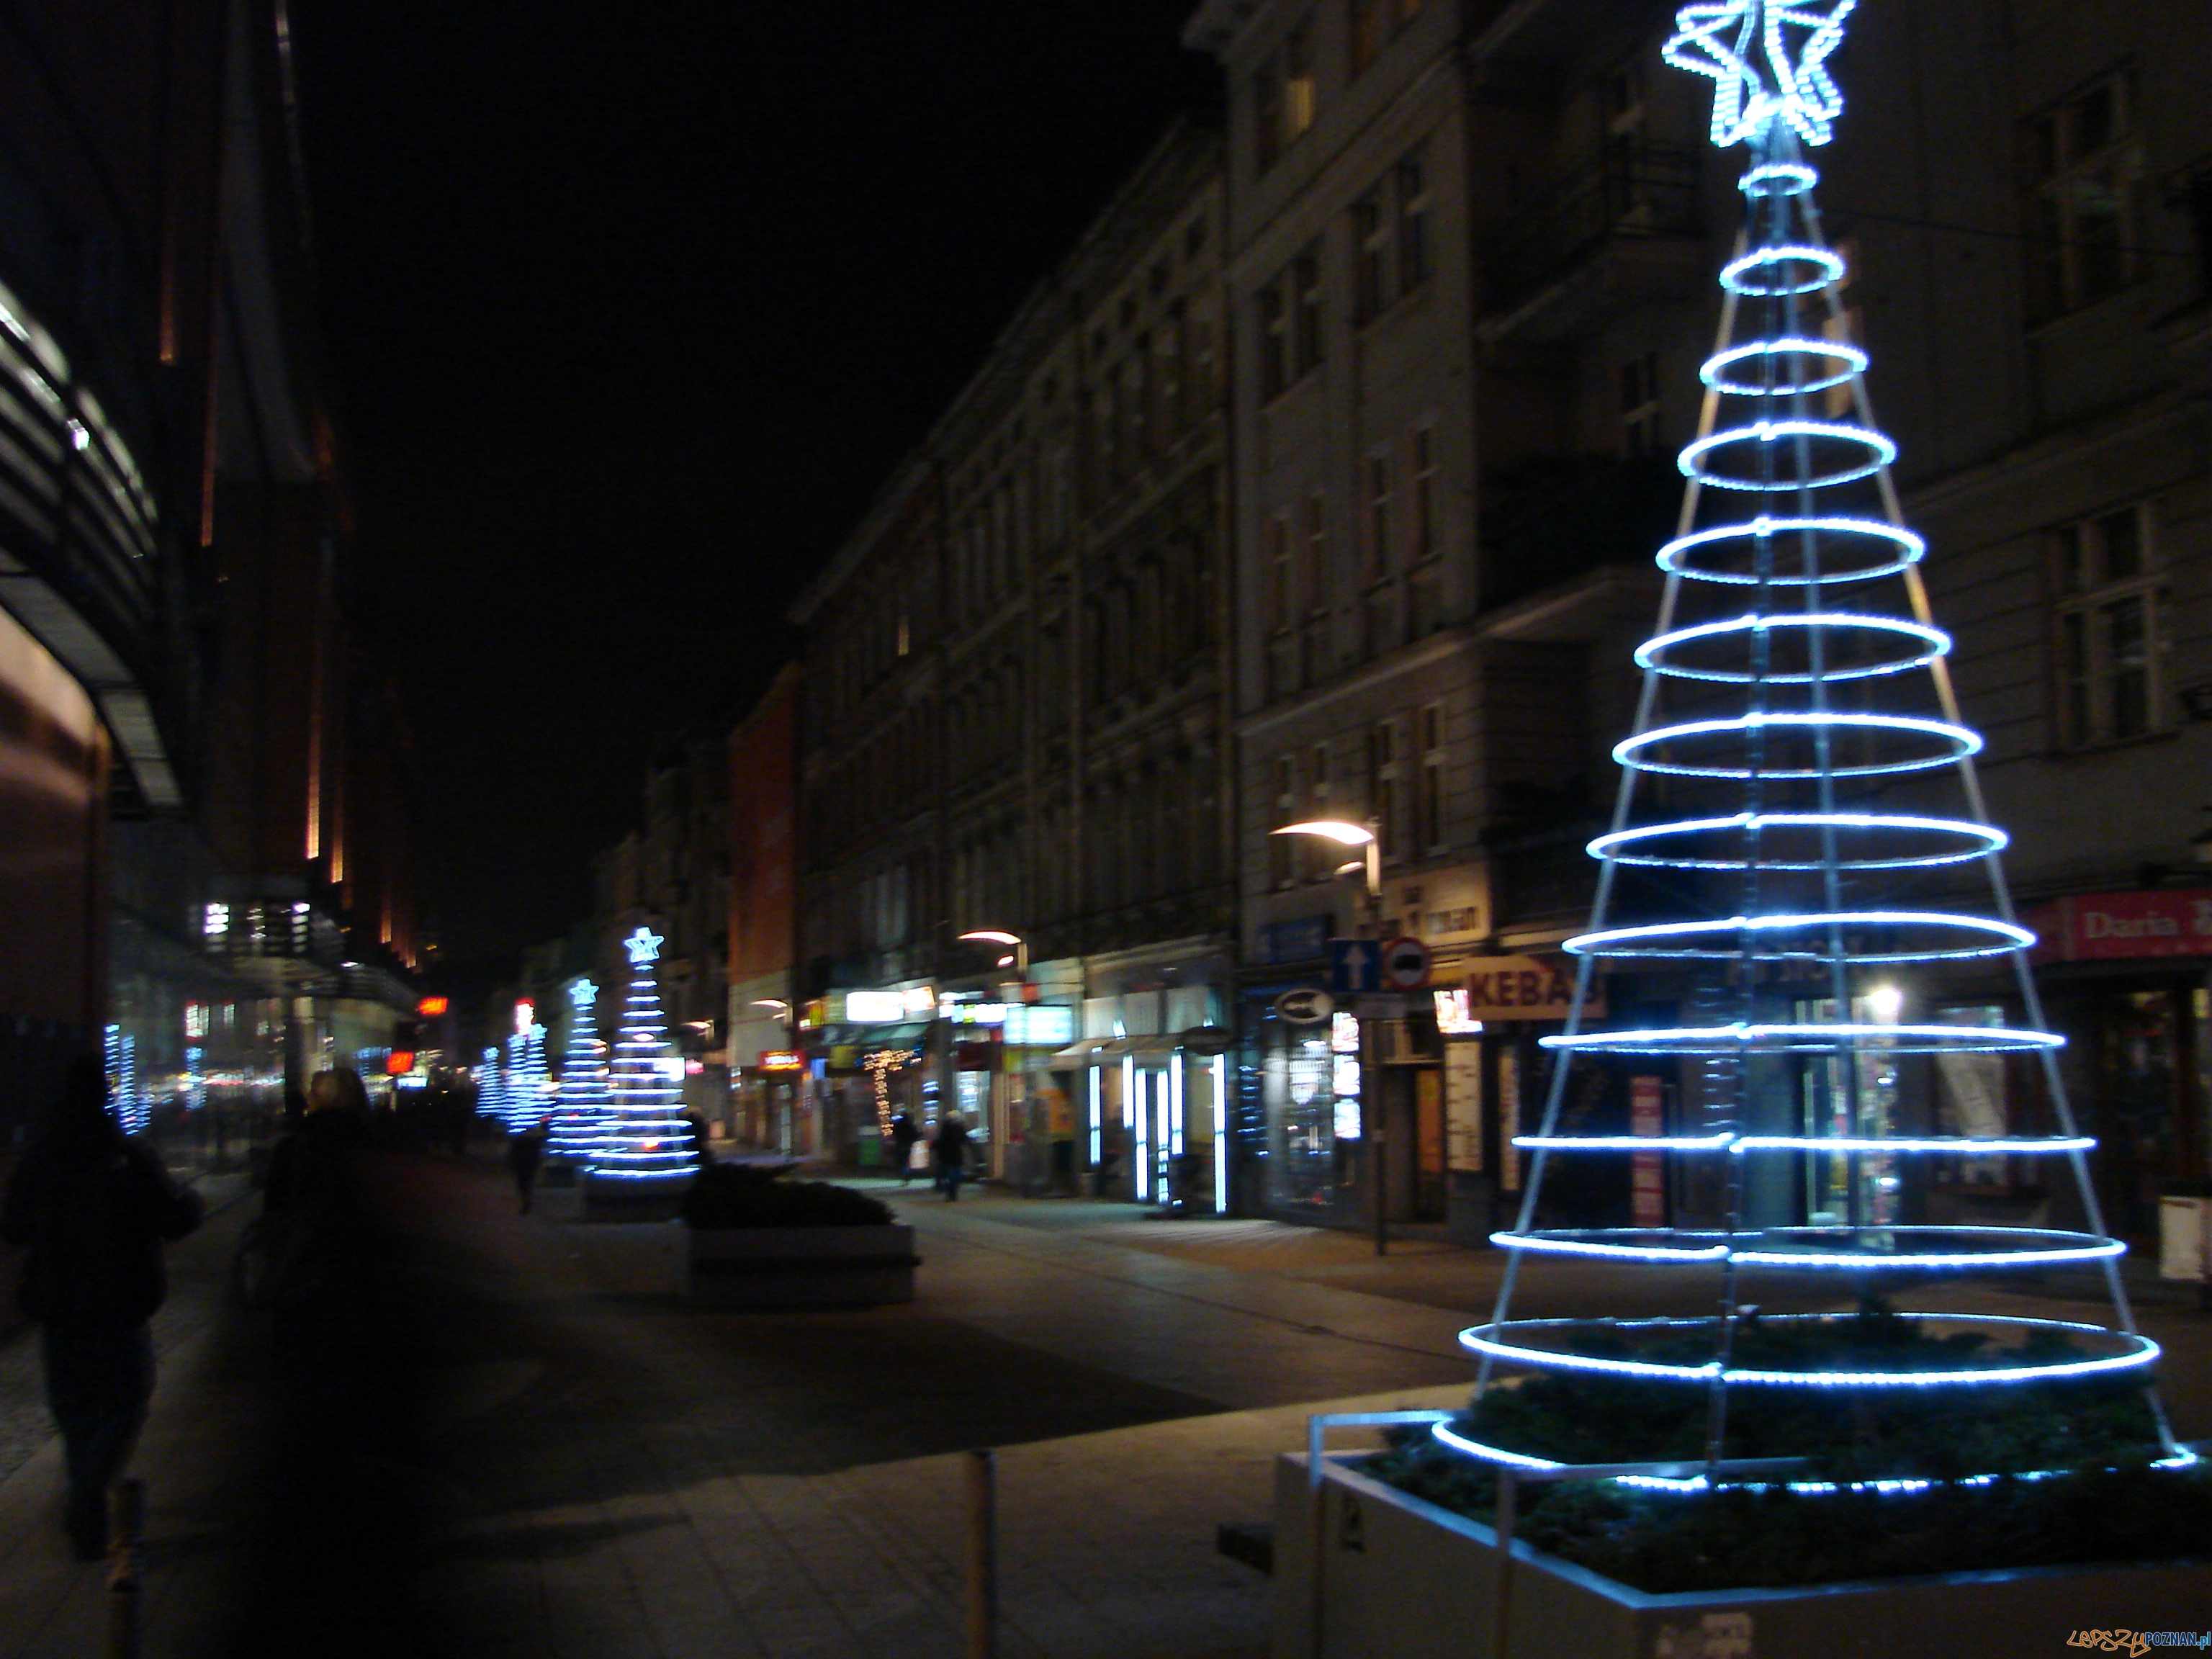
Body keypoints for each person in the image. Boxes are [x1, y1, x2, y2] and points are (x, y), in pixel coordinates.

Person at [0, 1056, 203, 1560]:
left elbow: (13, 1227)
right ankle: (88, 1497)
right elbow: (175, 1219)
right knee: (127, 1402)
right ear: (104, 1096)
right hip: (120, 1306)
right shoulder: (128, 1155)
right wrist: (191, 1204)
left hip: (59, 1309)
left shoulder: (40, 1159)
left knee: (75, 1415)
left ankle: (86, 1514)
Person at [505, 1115, 547, 1213]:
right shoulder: (534, 1141)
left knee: (523, 1185)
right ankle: (528, 1201)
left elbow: (512, 1153)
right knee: (528, 1183)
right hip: (530, 1164)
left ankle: (526, 1202)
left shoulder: (518, 1140)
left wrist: (511, 1163)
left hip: (521, 1165)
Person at [935, 1110, 972, 1202]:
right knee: (953, 1175)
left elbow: (964, 1139)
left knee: (955, 1175)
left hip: (952, 1155)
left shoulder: (951, 1129)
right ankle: (951, 1193)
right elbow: (964, 1139)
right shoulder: (948, 1130)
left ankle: (952, 1192)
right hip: (951, 1155)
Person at [888, 1110, 920, 1183]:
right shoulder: (910, 1125)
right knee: (907, 1160)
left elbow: (895, 1133)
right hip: (908, 1145)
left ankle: (903, 1173)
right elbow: (915, 1134)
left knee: (901, 1160)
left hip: (900, 1144)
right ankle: (906, 1174)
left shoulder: (899, 1125)